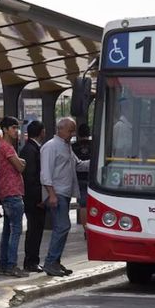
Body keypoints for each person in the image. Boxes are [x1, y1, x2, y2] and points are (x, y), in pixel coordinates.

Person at [40, 117, 90, 277]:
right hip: (57, 193)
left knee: (62, 227)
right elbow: (45, 173)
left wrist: (97, 161)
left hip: (65, 193)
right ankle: (50, 262)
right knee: (62, 226)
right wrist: (51, 194)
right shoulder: (50, 147)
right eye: (70, 130)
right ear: (60, 129)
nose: (72, 134)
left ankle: (55, 261)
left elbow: (78, 165)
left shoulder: (66, 147)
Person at [0, 117, 28, 278]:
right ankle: (11, 265)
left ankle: (3, 265)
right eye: (14, 128)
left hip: (6, 193)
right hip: (13, 193)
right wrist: (22, 162)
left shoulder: (2, 146)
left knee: (7, 231)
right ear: (5, 129)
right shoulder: (7, 147)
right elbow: (20, 167)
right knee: (16, 230)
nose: (17, 131)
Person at [20, 121, 46, 272]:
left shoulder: (33, 148)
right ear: (41, 132)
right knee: (34, 230)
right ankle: (31, 261)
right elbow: (30, 178)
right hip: (33, 199)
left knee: (36, 230)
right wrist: (39, 199)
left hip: (33, 197)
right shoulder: (31, 150)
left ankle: (32, 260)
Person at [71, 123, 93, 229]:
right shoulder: (95, 145)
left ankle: (85, 229)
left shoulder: (73, 146)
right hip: (93, 178)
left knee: (83, 205)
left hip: (79, 178)